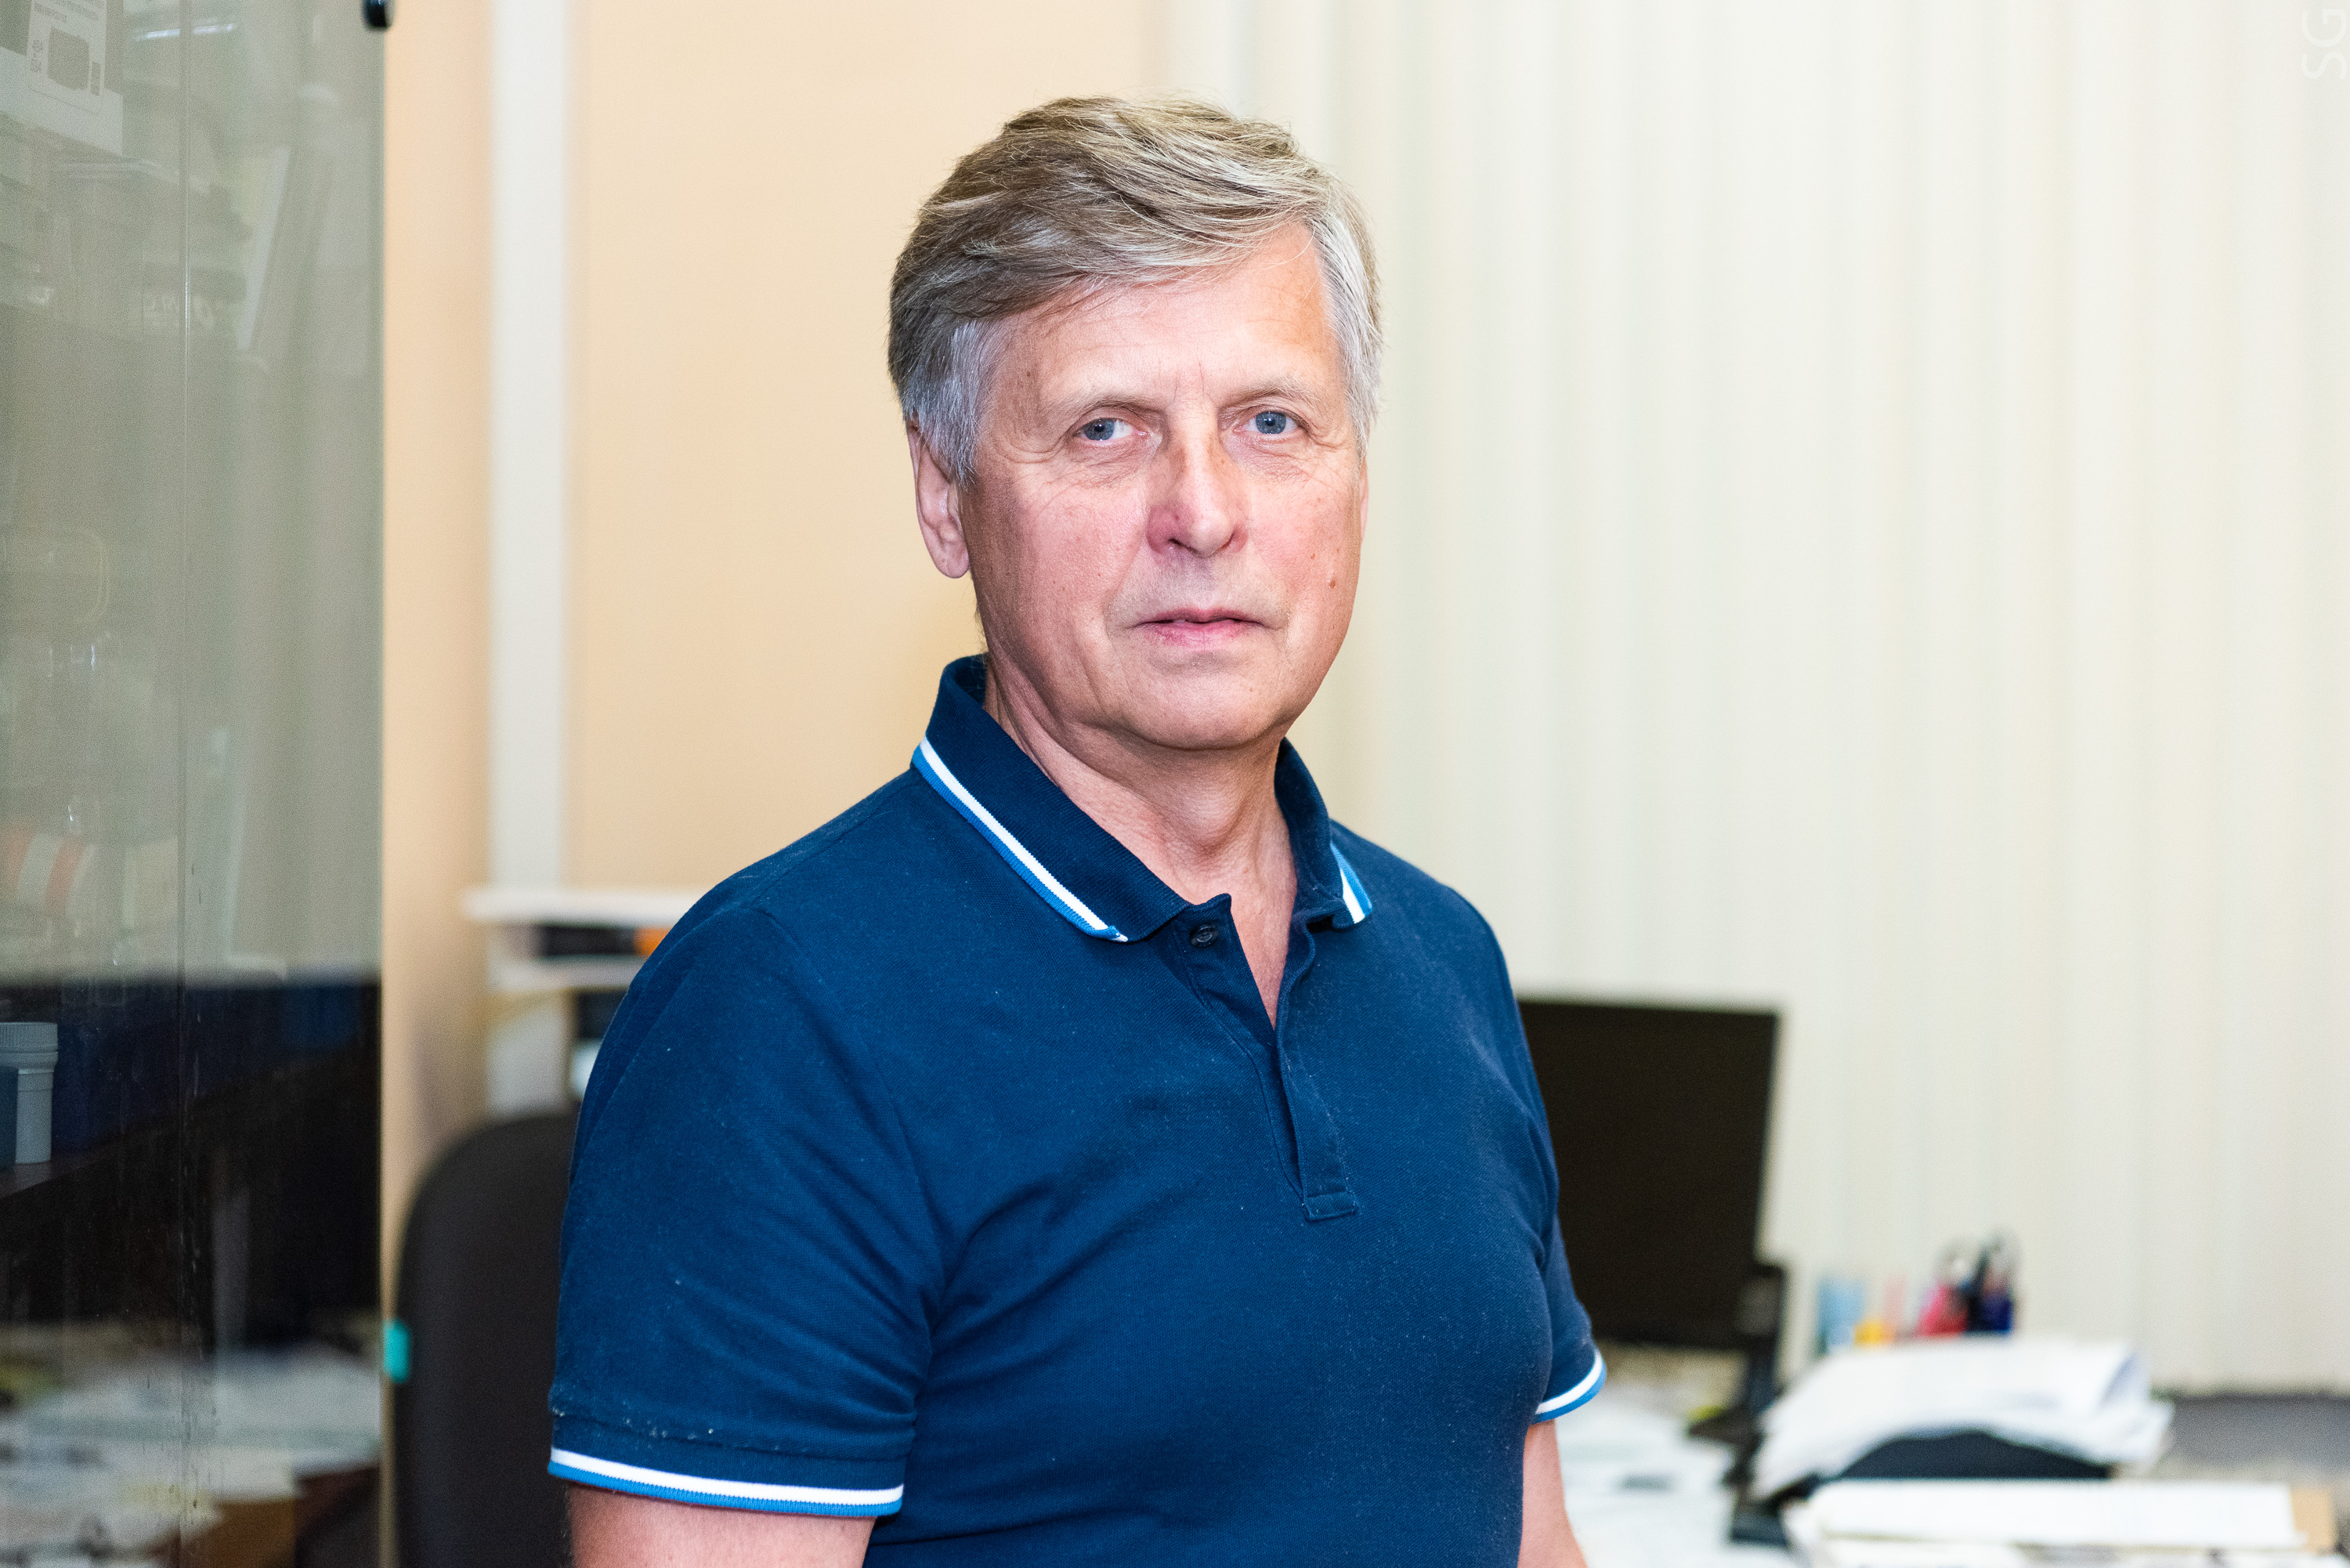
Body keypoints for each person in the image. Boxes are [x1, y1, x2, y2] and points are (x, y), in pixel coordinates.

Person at [552, 96, 1603, 1567]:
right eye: (1106, 430)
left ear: (1357, 474)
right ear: (945, 496)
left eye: (1273, 423)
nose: (1204, 512)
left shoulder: (1444, 961)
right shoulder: (778, 1012)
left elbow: (1531, 1536)